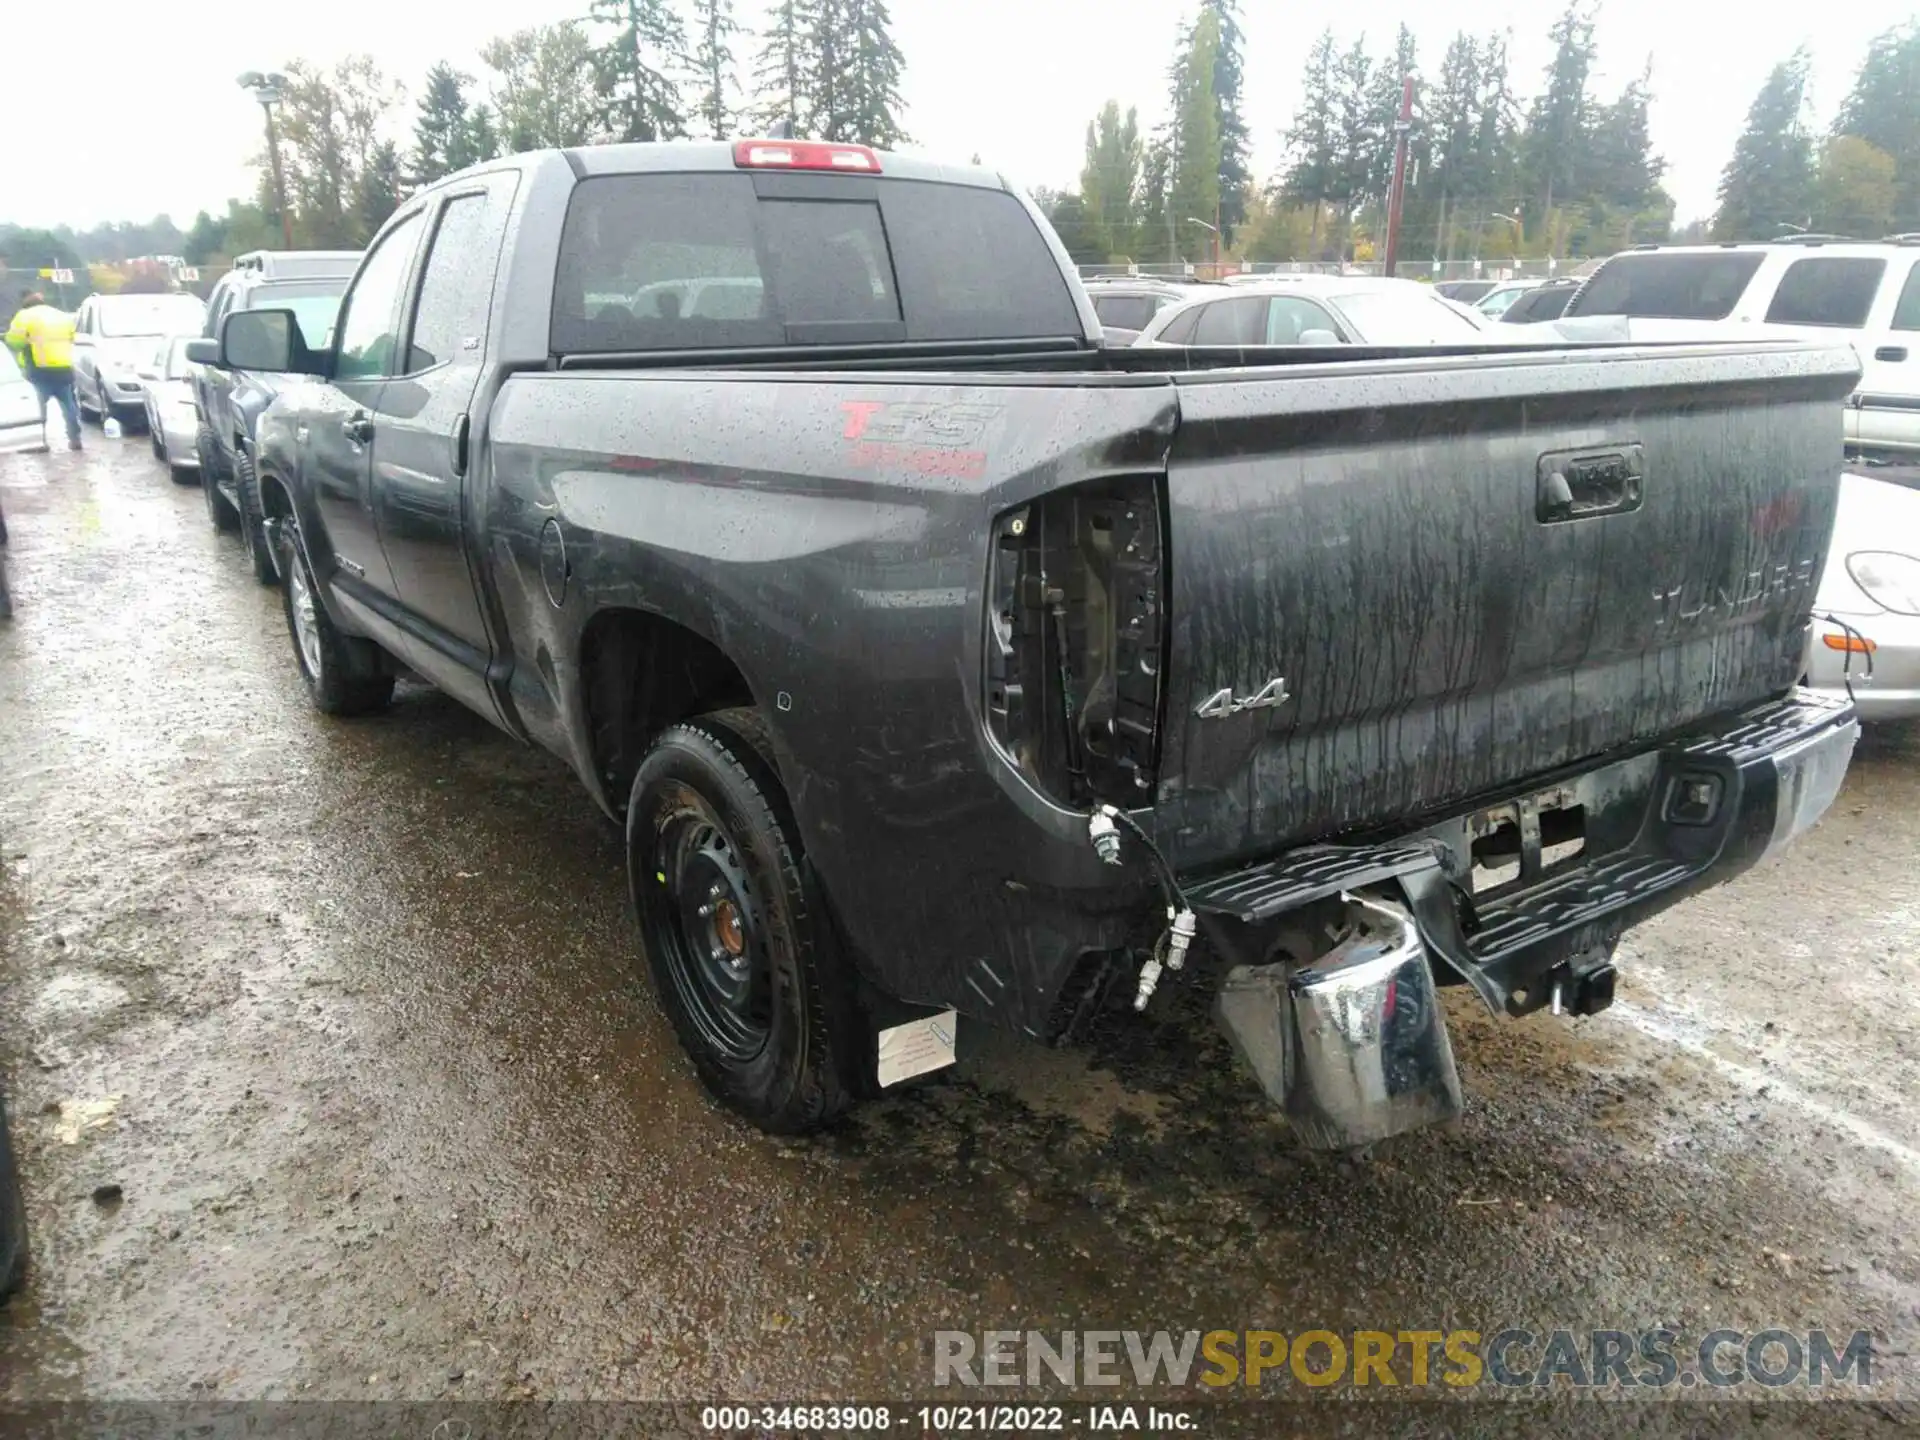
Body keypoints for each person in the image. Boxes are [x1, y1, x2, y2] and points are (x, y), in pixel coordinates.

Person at [4, 291, 82, 452]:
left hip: (38, 368)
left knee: (40, 407)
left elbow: (13, 342)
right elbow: (73, 337)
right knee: (69, 405)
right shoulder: (61, 315)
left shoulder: (24, 316)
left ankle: (42, 441)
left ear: (24, 302)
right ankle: (75, 439)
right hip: (64, 366)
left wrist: (24, 340)